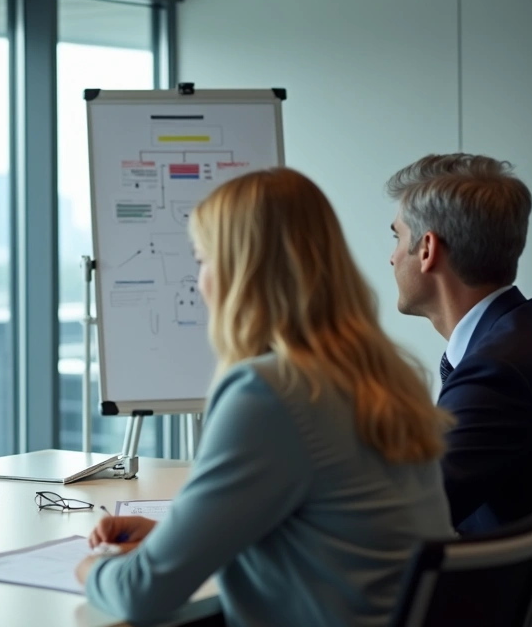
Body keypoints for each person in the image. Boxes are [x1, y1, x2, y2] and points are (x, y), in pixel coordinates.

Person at [75, 168, 453, 627]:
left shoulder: (270, 391)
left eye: (202, 261)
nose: (199, 284)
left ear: (240, 271)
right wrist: (175, 537)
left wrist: (94, 569)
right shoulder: (386, 374)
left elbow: (142, 594)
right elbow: (330, 530)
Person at [388, 153, 532, 535]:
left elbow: (407, 517)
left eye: (397, 237)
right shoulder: (522, 334)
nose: (392, 258)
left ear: (427, 249)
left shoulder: (497, 371)